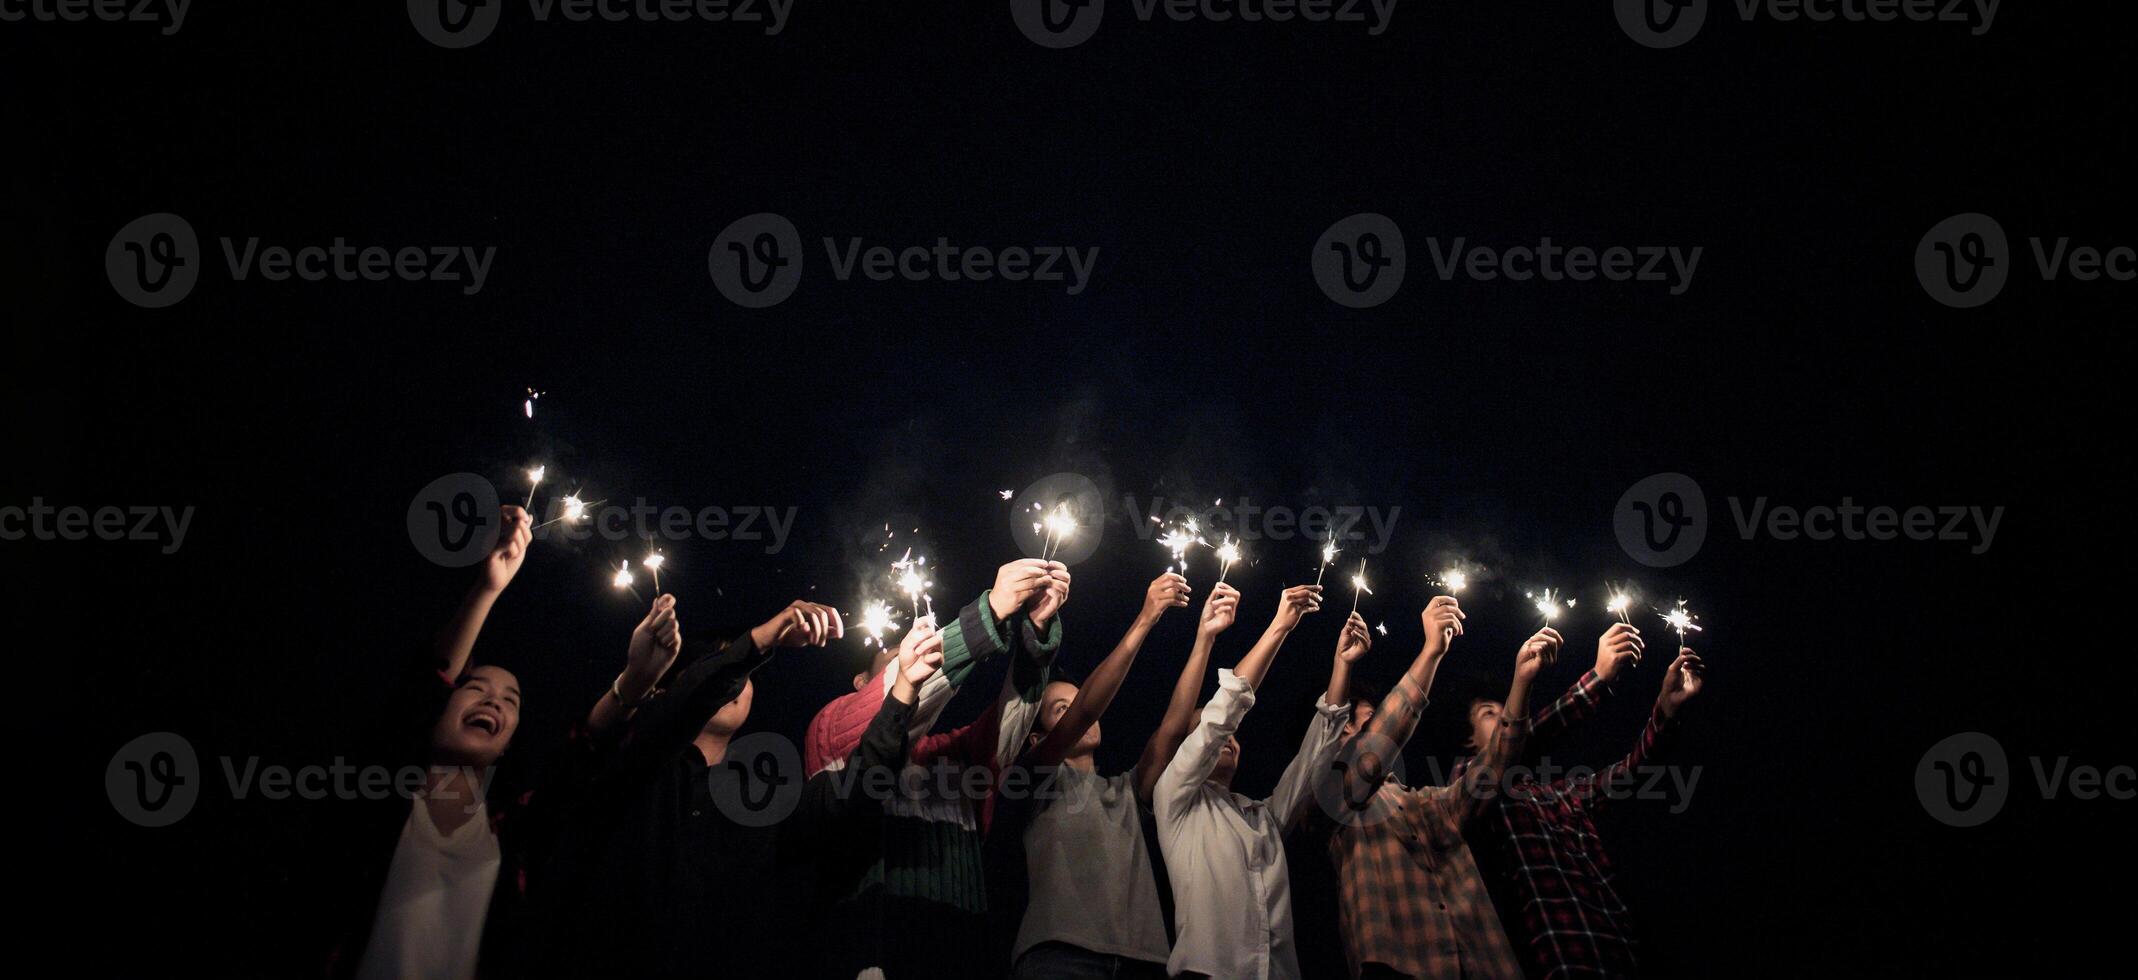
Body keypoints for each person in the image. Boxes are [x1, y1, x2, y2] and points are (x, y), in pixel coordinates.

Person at [528, 590, 941, 979]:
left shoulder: (762, 796)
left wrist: (905, 686)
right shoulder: (632, 767)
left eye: (744, 673)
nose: (738, 681)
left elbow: (854, 793)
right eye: (720, 666)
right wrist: (760, 640)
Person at [801, 557, 1069, 979]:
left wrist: (1036, 633)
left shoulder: (958, 757)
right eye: (895, 657)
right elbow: (885, 711)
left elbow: (1015, 718)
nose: (916, 652)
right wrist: (991, 611)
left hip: (962, 952)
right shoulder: (831, 724)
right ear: (861, 681)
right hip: (870, 954)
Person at [328, 505, 534, 980]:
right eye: (475, 687)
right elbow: (423, 684)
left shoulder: (516, 833)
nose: (493, 702)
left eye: (511, 700)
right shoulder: (374, 793)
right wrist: (487, 590)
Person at [1315, 595, 1562, 980]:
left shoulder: (1427, 804)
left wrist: (1522, 683)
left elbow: (1492, 769)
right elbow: (1382, 738)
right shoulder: (1331, 799)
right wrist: (1431, 652)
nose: (1379, 721)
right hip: (1399, 969)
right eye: (1366, 719)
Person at [1461, 635, 1707, 979]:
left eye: (1507, 710)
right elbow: (1519, 740)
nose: (1507, 716)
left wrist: (1666, 709)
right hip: (1555, 960)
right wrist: (1598, 678)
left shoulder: (1562, 796)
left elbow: (1630, 771)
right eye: (1491, 714)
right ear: (1468, 740)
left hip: (1618, 955)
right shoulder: (1469, 786)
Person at [1151, 583, 1355, 980]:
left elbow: (1312, 764)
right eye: (1204, 736)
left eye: (1235, 737)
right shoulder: (1173, 797)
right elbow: (1222, 715)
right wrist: (1280, 625)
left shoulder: (1264, 818)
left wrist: (1342, 664)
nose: (1226, 738)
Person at [995, 570, 1192, 978]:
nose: (1081, 712)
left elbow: (1175, 729)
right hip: (1060, 957)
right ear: (1036, 739)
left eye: (1076, 701)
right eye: (1059, 709)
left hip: (1145, 960)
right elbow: (1087, 709)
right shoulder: (1031, 779)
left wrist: (1206, 636)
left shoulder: (1126, 791)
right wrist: (1146, 618)